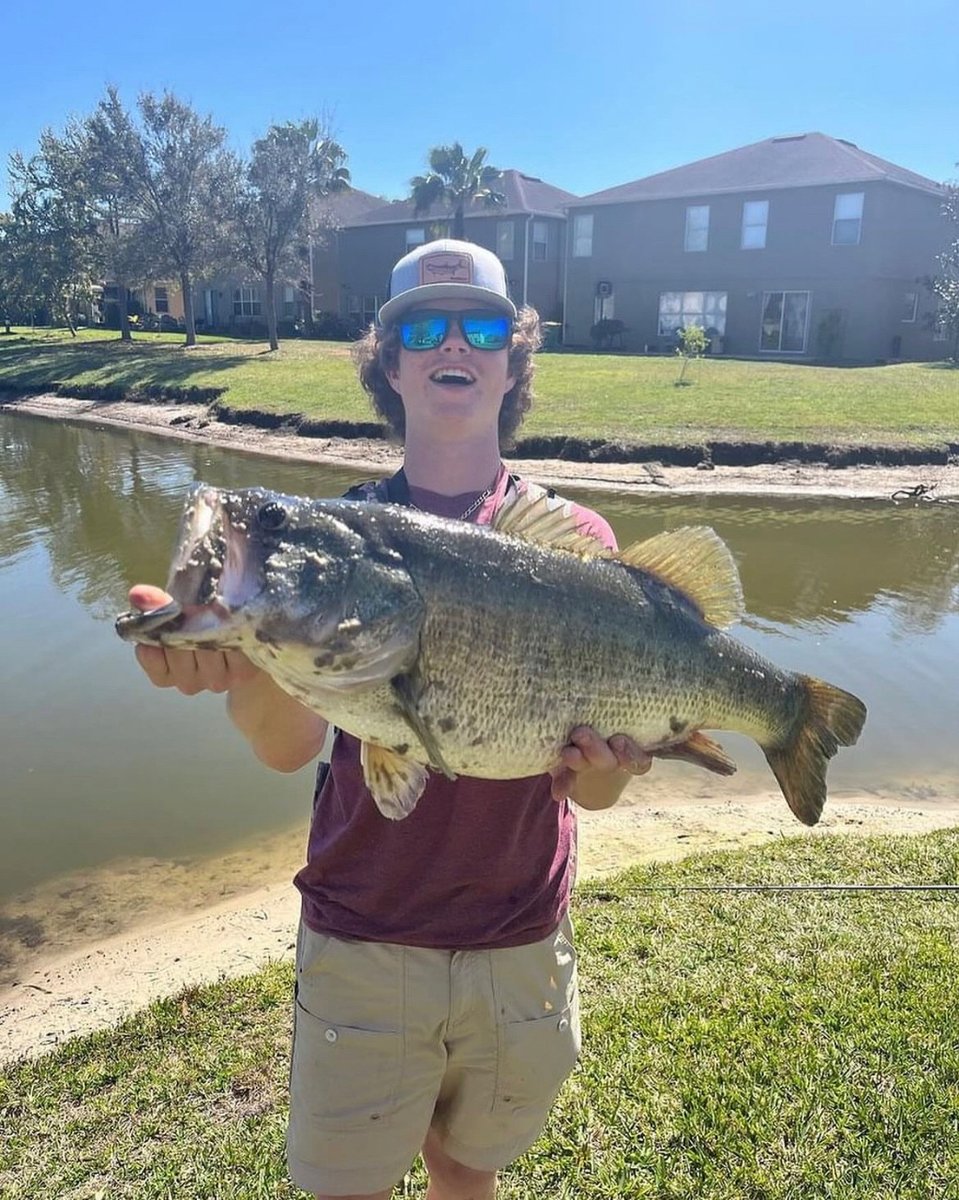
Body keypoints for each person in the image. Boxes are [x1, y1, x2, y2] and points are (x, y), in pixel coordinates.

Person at [129, 239, 651, 1200]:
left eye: (482, 324)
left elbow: (599, 792)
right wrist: (240, 661)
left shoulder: (581, 547)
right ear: (391, 361)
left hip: (519, 934)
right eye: (423, 325)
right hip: (365, 936)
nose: (454, 340)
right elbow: (290, 749)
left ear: (511, 358)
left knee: (466, 1168)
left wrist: (608, 763)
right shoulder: (333, 541)